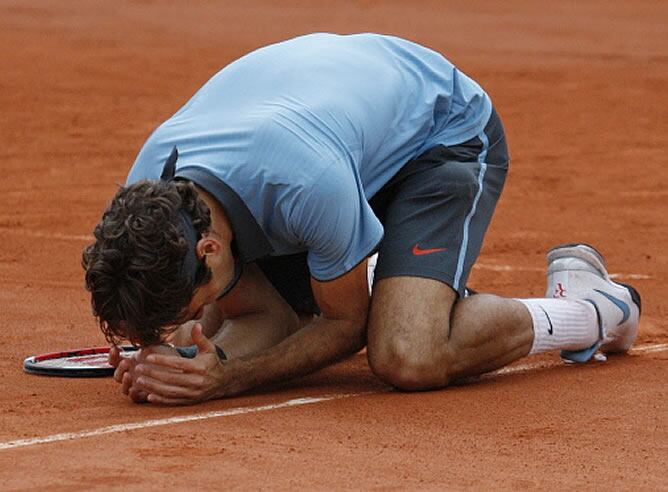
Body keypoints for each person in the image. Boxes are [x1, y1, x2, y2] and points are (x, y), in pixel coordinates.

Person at [83, 33, 641, 405]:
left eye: (198, 299)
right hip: (336, 129)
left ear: (207, 248)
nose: (204, 315)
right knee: (269, 314)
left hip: (440, 135)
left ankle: (592, 307)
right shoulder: (152, 196)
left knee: (406, 354)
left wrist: (226, 375)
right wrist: (169, 343)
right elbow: (255, 317)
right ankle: (388, 280)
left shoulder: (303, 184)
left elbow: (342, 328)